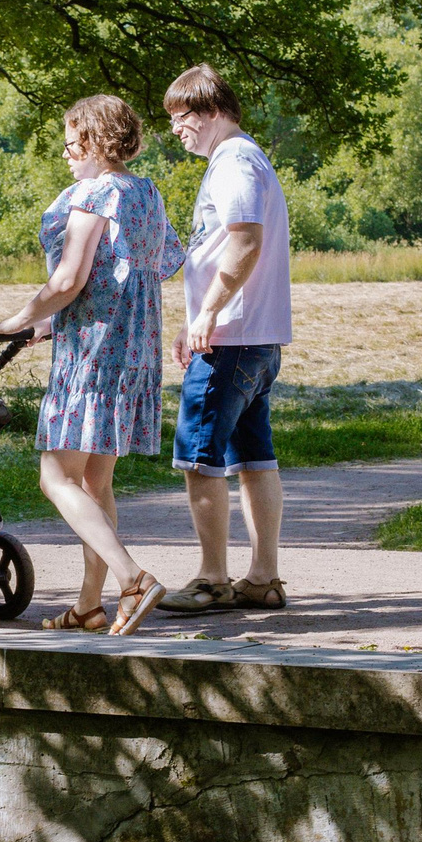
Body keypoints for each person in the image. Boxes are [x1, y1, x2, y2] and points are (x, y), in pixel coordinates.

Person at [0, 94, 186, 635]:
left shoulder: (94, 194)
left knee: (56, 477)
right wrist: (52, 323)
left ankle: (133, 579)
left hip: (94, 352)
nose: (68, 155)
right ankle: (91, 607)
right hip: (133, 345)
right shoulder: (146, 192)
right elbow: (152, 265)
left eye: (73, 144)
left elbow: (70, 279)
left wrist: (20, 317)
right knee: (97, 483)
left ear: (96, 142)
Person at [156, 65, 293, 615]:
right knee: (253, 458)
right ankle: (263, 578)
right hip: (256, 337)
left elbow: (245, 241)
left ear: (211, 110)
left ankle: (212, 579)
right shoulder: (244, 158)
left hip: (231, 338)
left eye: (181, 117)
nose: (176, 130)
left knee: (199, 457)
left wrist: (206, 313)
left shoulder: (234, 161)